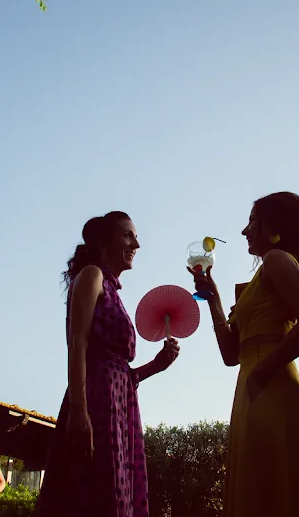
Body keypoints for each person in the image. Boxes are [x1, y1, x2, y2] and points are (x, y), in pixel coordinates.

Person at [189, 191, 299, 517]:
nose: (244, 231)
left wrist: (262, 371)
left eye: (252, 221)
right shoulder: (259, 278)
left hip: (271, 386)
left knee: (272, 486)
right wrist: (212, 299)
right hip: (251, 387)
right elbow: (230, 354)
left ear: (274, 229)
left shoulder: (277, 260)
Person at [37, 211, 180, 517]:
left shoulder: (114, 292)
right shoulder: (92, 275)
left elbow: (123, 373)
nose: (136, 245)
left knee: (116, 492)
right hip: (95, 401)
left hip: (121, 404)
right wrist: (79, 411)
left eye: (135, 237)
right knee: (94, 491)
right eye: (128, 235)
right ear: (104, 243)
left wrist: (156, 364)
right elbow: (77, 343)